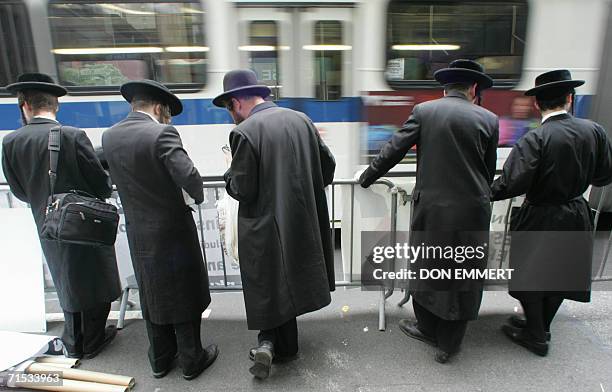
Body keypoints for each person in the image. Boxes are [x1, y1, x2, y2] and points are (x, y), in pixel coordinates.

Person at [359, 60, 499, 363]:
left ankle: (428, 328)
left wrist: (368, 176)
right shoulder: (489, 119)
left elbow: (395, 148)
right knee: (464, 271)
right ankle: (450, 342)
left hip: (433, 210)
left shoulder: (426, 111)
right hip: (473, 210)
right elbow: (488, 171)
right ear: (474, 88)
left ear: (445, 87)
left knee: (428, 266)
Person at [214, 69, 336, 379]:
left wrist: (229, 173)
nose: (231, 116)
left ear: (237, 101)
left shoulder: (244, 132)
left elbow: (242, 188)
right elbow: (328, 166)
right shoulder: (301, 120)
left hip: (264, 224)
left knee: (267, 283)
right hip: (301, 216)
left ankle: (268, 343)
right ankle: (284, 347)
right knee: (287, 279)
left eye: (228, 107)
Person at [102, 80, 218, 379]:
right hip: (172, 230)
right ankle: (192, 359)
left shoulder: (110, 136)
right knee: (184, 292)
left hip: (138, 231)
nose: (169, 120)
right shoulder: (161, 132)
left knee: (152, 292)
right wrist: (197, 195)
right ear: (158, 108)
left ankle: (160, 360)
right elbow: (189, 174)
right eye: (168, 114)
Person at [491, 69, 612, 356]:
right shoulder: (594, 130)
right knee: (560, 274)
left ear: (537, 104)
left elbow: (511, 182)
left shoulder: (537, 138)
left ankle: (535, 335)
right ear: (569, 98)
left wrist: (483, 192)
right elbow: (604, 176)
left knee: (529, 275)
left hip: (540, 214)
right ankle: (541, 327)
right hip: (575, 211)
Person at [2, 73, 121, 359]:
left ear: (25, 106)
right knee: (92, 276)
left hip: (46, 221)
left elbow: (19, 191)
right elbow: (101, 185)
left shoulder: (11, 141)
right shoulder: (71, 136)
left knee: (64, 275)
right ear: (55, 105)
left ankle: (73, 338)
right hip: (82, 221)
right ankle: (92, 340)